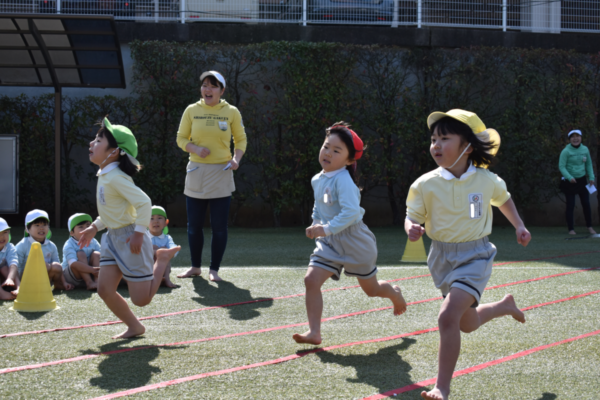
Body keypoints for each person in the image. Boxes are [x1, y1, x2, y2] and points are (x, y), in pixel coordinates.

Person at [404, 110, 531, 400]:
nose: (436, 145)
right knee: (466, 323)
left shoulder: (486, 180)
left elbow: (504, 199)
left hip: (475, 255)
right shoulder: (425, 184)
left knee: (447, 317)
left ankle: (442, 388)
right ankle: (504, 306)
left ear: (468, 146)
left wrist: (520, 225)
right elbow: (412, 216)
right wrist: (412, 227)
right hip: (441, 257)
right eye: (433, 139)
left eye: (445, 138)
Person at [292, 122, 407, 346]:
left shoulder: (343, 180)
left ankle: (394, 293)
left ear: (349, 160)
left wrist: (324, 228)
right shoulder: (318, 179)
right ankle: (314, 332)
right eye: (326, 147)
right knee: (311, 280)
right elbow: (319, 207)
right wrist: (316, 223)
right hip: (329, 242)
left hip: (356, 242)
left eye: (337, 151)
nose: (328, 153)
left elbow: (351, 212)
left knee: (372, 290)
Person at [78, 117, 180, 339]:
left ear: (113, 152)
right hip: (112, 238)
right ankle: (135, 327)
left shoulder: (115, 177)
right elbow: (113, 211)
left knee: (141, 300)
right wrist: (95, 227)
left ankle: (161, 259)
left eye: (98, 140)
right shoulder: (106, 174)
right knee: (104, 290)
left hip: (129, 239)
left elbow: (144, 203)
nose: (91, 144)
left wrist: (138, 234)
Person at [176, 70, 247, 282]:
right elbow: (180, 138)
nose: (207, 89)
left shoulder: (231, 112)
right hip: (196, 172)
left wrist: (236, 159)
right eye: (205, 85)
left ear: (222, 91)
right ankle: (195, 267)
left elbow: (241, 140)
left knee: (219, 228)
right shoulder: (191, 110)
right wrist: (195, 149)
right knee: (194, 226)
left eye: (213, 86)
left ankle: (214, 269)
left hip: (222, 173)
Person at [15, 209, 73, 291]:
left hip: (45, 278)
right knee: (44, 264)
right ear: (27, 229)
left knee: (56, 265)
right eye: (37, 225)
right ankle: (32, 287)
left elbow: (59, 267)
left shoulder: (51, 245)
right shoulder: (22, 245)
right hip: (26, 280)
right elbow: (17, 267)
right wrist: (18, 286)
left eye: (45, 225)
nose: (41, 228)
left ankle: (56, 285)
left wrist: (64, 282)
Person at [558, 129, 596, 235]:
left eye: (577, 136)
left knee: (586, 204)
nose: (575, 138)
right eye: (573, 137)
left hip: (582, 180)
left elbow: (588, 164)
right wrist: (569, 177)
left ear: (581, 138)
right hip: (569, 182)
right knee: (570, 205)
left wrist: (591, 177)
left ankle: (590, 227)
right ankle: (571, 229)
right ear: (569, 139)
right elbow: (562, 166)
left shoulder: (585, 149)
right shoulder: (566, 151)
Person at [62, 213, 101, 290]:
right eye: (81, 227)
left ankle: (97, 281)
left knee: (97, 254)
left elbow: (102, 257)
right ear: (72, 233)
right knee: (80, 254)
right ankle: (89, 283)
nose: (86, 229)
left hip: (91, 273)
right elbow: (73, 264)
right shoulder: (69, 244)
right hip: (73, 277)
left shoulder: (94, 241)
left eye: (88, 226)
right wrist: (92, 269)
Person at [149, 205, 179, 288]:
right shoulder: (143, 237)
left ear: (166, 222)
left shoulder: (167, 238)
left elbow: (173, 249)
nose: (156, 221)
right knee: (153, 248)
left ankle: (166, 279)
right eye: (151, 218)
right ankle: (150, 278)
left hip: (163, 269)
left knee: (165, 250)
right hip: (146, 269)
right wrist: (155, 251)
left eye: (159, 218)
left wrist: (167, 251)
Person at [0, 218, 19, 300]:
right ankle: (2, 293)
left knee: (6, 268)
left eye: (5, 232)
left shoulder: (9, 247)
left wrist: (10, 278)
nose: (2, 237)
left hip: (3, 278)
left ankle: (19, 287)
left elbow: (13, 262)